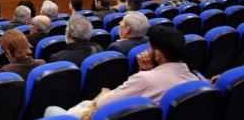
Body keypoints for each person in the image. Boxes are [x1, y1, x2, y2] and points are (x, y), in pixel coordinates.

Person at [45, 25, 197, 118]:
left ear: (157, 55)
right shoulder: (195, 80)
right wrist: (147, 71)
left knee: (52, 111)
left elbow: (102, 103)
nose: (147, 50)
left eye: (149, 47)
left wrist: (144, 73)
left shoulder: (145, 79)